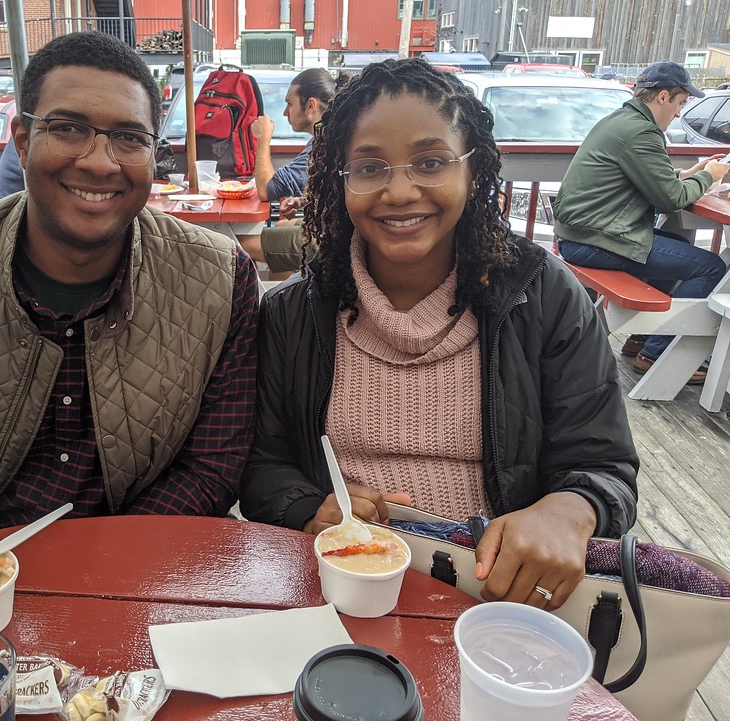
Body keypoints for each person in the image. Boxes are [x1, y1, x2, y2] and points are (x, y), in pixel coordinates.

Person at [0, 31, 260, 565]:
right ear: (22, 139)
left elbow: (212, 465)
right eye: (68, 129)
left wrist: (104, 571)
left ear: (153, 153)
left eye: (129, 138)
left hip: (142, 558)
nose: (99, 162)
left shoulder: (221, 278)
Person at [240, 59, 638, 610]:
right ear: (340, 180)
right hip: (338, 586)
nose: (399, 191)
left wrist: (567, 511)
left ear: (473, 172)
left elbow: (604, 465)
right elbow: (261, 465)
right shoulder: (294, 312)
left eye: (430, 162)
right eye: (370, 167)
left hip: (500, 594)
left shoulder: (543, 295)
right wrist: (310, 505)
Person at [552, 61, 729, 382]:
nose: (679, 113)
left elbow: (651, 180)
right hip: (594, 242)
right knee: (711, 268)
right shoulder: (641, 132)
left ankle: (642, 338)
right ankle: (659, 353)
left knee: (677, 246)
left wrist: (686, 175)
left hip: (580, 236)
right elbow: (671, 199)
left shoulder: (621, 121)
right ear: (663, 97)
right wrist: (708, 176)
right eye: (680, 103)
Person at [240, 69, 336, 278]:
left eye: (289, 104)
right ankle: (283, 304)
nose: (285, 113)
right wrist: (304, 201)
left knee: (237, 243)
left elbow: (267, 190)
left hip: (328, 239)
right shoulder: (327, 136)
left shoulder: (325, 143)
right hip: (329, 226)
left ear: (310, 105)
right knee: (283, 224)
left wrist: (263, 138)